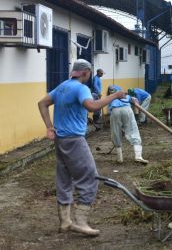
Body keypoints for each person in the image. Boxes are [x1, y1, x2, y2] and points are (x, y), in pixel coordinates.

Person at [37, 59, 125, 237]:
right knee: (90, 178)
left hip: (60, 140)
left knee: (64, 178)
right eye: (90, 72)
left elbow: (42, 103)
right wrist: (115, 96)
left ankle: (65, 221)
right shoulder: (81, 88)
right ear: (85, 72)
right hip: (74, 140)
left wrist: (49, 126)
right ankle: (80, 222)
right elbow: (92, 106)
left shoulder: (62, 86)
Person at [107, 85, 148, 164]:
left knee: (115, 133)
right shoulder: (126, 95)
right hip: (127, 109)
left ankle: (119, 158)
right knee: (133, 131)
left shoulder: (110, 98)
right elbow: (135, 99)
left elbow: (110, 110)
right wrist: (135, 102)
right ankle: (138, 156)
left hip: (114, 111)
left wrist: (120, 128)